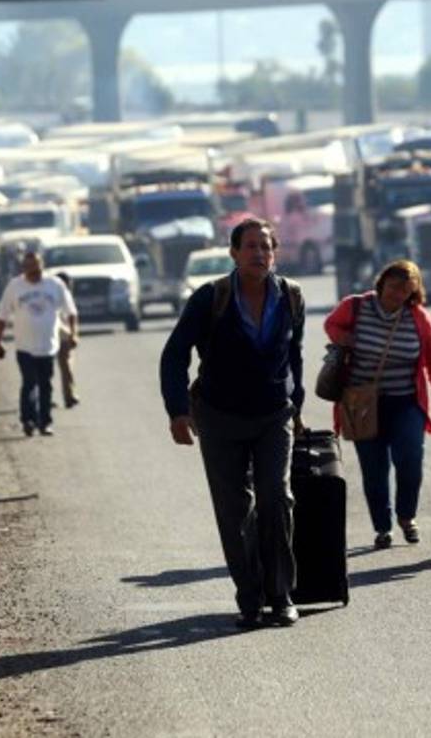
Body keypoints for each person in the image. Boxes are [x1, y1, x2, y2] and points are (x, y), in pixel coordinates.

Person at [159, 219, 306, 629]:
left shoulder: (291, 296)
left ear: (274, 253)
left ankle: (281, 595)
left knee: (277, 499)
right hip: (219, 416)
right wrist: (178, 412)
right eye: (251, 247)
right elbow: (174, 355)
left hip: (273, 415)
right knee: (234, 510)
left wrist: (297, 402)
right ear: (234, 254)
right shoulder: (211, 298)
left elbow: (294, 354)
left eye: (266, 247)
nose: (259, 254)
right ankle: (250, 598)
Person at [324, 260, 431, 550]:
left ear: (414, 291)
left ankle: (407, 516)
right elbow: (331, 323)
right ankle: (383, 527)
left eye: (406, 290)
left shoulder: (417, 317)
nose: (398, 294)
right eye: (393, 287)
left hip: (405, 401)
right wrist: (344, 337)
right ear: (381, 284)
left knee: (410, 459)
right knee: (374, 468)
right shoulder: (356, 307)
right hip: (361, 402)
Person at [0, 250, 78, 437]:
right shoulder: (15, 287)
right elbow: (2, 316)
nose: (33, 272)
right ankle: (28, 420)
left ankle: (45, 422)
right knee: (29, 383)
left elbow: (71, 311)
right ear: (23, 269)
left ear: (42, 266)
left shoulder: (54, 285)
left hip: (48, 345)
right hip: (24, 346)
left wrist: (73, 333)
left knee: (45, 385)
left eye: (36, 267)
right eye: (29, 268)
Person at [54, 271, 81, 408]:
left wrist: (73, 334)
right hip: (52, 335)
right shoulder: (52, 295)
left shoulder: (67, 296)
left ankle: (69, 395)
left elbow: (72, 316)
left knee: (66, 367)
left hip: (63, 335)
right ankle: (46, 398)